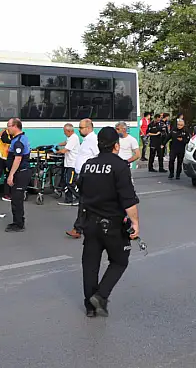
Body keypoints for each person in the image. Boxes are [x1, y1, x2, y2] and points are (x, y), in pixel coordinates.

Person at [78, 126, 140, 317]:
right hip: (112, 225)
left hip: (89, 223)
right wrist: (135, 223)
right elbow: (128, 200)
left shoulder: (88, 165)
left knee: (90, 265)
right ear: (116, 145)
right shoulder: (120, 166)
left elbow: (81, 190)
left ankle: (90, 307)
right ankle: (101, 295)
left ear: (99, 144)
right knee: (120, 261)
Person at [66, 119, 99, 239]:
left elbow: (98, 156)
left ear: (89, 128)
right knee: (85, 203)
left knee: (84, 203)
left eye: (81, 128)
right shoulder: (86, 140)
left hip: (89, 176)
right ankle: (83, 227)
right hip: (83, 176)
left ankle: (78, 228)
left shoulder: (93, 140)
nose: (79, 130)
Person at [5, 118, 31, 232]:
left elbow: (18, 159)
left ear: (15, 126)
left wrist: (11, 175)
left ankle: (19, 224)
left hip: (21, 173)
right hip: (21, 172)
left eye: (9, 126)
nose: (7, 129)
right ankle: (17, 221)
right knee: (16, 199)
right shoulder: (19, 138)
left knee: (17, 199)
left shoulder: (18, 141)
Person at [56, 123, 80, 206]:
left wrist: (55, 151)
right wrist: (57, 144)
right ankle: (68, 199)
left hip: (72, 165)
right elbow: (65, 142)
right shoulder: (70, 138)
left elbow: (65, 150)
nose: (64, 133)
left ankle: (79, 198)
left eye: (65, 131)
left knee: (70, 183)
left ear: (69, 131)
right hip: (68, 164)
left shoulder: (74, 138)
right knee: (66, 182)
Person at [0, 126, 14, 202]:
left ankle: (6, 195)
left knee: (7, 177)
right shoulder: (4, 133)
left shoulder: (12, 134)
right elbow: (6, 141)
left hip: (6, 159)